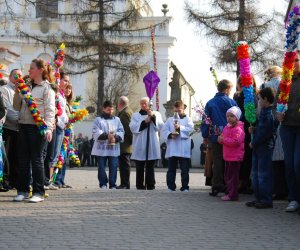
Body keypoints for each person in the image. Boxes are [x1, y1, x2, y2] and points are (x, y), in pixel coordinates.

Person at [13, 58, 56, 203]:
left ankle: (38, 192)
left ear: (40, 70)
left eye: (32, 68)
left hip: (38, 128)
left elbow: (50, 111)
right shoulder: (27, 86)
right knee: (23, 160)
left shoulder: (47, 88)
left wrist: (49, 128)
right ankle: (23, 190)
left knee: (37, 160)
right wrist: (17, 91)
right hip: (23, 125)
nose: (29, 70)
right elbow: (16, 106)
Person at [201, 79, 237, 196]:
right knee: (229, 161)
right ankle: (229, 185)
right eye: (230, 89)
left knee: (217, 161)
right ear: (226, 89)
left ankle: (216, 185)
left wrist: (205, 135)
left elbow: (206, 120)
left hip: (215, 136)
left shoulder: (210, 103)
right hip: (230, 136)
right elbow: (238, 118)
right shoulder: (231, 102)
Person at [277, 50, 300, 213]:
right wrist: (277, 113)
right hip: (286, 127)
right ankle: (293, 198)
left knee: (298, 164)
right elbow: (276, 104)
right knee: (289, 164)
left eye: (297, 60)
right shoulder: (285, 81)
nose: (294, 63)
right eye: (292, 61)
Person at [246, 87, 276, 209]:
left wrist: (254, 142)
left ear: (265, 99)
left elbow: (265, 133)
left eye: (259, 99)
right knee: (256, 174)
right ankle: (258, 198)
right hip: (259, 148)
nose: (258, 102)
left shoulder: (269, 114)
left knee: (263, 174)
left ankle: (266, 199)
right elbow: (260, 129)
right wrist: (253, 130)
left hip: (264, 148)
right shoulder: (263, 112)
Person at [262, 66, 287, 200]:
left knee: (275, 161)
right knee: (286, 160)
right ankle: (287, 190)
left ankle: (278, 190)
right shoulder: (285, 84)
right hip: (286, 122)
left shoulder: (266, 85)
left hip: (272, 123)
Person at [129, 97, 164, 190]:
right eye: (142, 103)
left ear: (149, 104)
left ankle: (150, 184)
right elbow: (132, 127)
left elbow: (160, 126)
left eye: (145, 103)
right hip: (140, 143)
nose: (143, 105)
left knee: (150, 166)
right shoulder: (135, 115)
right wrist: (144, 122)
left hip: (151, 142)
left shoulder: (157, 114)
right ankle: (140, 185)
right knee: (139, 165)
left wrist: (152, 117)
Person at [91, 100, 124, 189]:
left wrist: (116, 137)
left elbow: (121, 131)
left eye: (112, 110)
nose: (110, 112)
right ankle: (103, 183)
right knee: (101, 167)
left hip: (113, 148)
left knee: (113, 166)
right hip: (101, 148)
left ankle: (112, 184)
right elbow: (95, 131)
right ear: (104, 109)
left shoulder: (117, 119)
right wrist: (106, 135)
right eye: (108, 110)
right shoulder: (98, 119)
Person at [162, 100, 194, 192]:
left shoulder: (188, 119)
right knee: (171, 169)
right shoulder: (169, 120)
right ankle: (171, 186)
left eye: (179, 111)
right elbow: (164, 131)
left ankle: (185, 187)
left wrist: (180, 128)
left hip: (183, 148)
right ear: (173, 109)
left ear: (183, 109)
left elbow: (191, 130)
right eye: (175, 111)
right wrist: (170, 135)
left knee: (184, 170)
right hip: (173, 148)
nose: (177, 113)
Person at [234, 75, 258, 194]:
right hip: (242, 128)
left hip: (250, 128)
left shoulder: (254, 95)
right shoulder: (240, 96)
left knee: (248, 156)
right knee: (243, 156)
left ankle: (246, 182)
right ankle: (243, 181)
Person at [0, 69, 22, 190]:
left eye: (20, 75)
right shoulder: (4, 90)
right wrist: (22, 118)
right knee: (7, 156)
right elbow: (8, 109)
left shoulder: (21, 90)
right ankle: (6, 180)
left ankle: (15, 180)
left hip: (18, 129)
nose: (18, 77)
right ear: (11, 76)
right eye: (16, 75)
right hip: (9, 127)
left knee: (16, 157)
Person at [217, 106, 245, 201]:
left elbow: (236, 141)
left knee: (233, 178)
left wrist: (223, 140)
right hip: (228, 157)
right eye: (227, 116)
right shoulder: (226, 127)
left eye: (231, 116)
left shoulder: (239, 129)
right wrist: (220, 139)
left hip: (235, 157)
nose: (229, 118)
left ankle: (233, 195)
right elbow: (222, 137)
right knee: (227, 176)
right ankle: (229, 192)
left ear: (237, 117)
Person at [56, 82, 73, 188]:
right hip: (62, 128)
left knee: (64, 157)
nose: (68, 90)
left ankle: (62, 180)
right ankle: (57, 180)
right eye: (67, 88)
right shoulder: (62, 100)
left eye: (70, 89)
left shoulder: (69, 103)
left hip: (68, 132)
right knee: (60, 156)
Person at [116, 96, 133, 189]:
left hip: (125, 144)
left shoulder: (125, 113)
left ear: (120, 104)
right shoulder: (128, 111)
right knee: (124, 164)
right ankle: (124, 183)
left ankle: (125, 184)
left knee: (124, 164)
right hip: (126, 143)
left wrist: (131, 142)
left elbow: (127, 129)